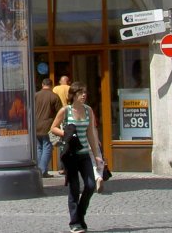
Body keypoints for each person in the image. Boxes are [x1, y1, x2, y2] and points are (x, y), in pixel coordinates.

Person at [50, 82, 104, 233]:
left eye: (85, 92)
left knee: (90, 185)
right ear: (73, 95)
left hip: (84, 153)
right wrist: (66, 134)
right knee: (74, 188)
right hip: (70, 155)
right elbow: (53, 127)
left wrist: (97, 155)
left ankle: (80, 214)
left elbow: (91, 134)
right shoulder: (65, 110)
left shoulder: (88, 110)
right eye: (80, 93)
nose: (84, 95)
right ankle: (74, 223)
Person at [34, 78, 63, 178]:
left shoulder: (35, 95)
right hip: (48, 126)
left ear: (42, 84)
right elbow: (60, 112)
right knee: (47, 147)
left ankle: (40, 170)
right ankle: (42, 171)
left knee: (39, 148)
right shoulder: (54, 96)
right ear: (52, 85)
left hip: (36, 125)